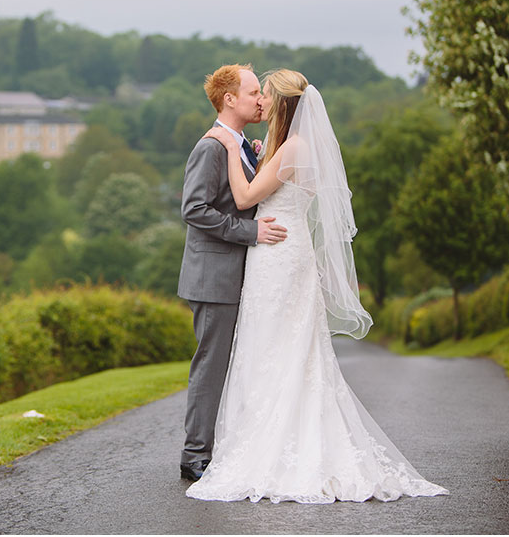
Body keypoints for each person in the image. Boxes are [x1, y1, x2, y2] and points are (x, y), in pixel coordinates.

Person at [185, 69, 449, 503]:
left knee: (277, 351)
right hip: (278, 255)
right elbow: (208, 204)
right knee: (272, 352)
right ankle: (222, 447)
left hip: (280, 257)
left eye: (265, 94)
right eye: (255, 93)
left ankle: (265, 449)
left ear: (283, 104)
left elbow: (249, 197)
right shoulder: (274, 147)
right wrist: (246, 151)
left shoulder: (289, 148)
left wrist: (236, 152)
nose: (261, 101)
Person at [177, 64, 289, 481]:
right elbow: (194, 209)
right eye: (253, 91)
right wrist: (252, 231)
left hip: (238, 276)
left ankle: (227, 447)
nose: (260, 99)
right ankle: (195, 456)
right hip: (213, 277)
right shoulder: (210, 146)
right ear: (229, 99)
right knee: (211, 364)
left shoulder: (241, 144)